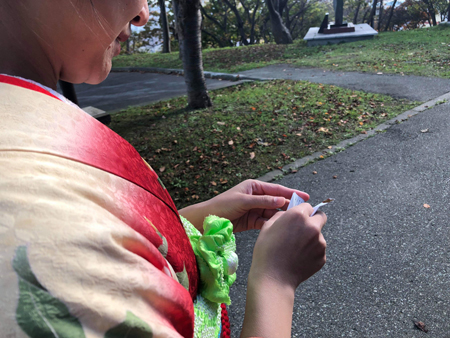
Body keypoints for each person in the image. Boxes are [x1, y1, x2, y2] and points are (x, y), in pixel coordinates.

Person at [0, 1, 327, 337]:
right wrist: (276, 280)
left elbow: (109, 232)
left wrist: (194, 221)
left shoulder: (25, 115)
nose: (143, 13)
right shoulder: (41, 235)